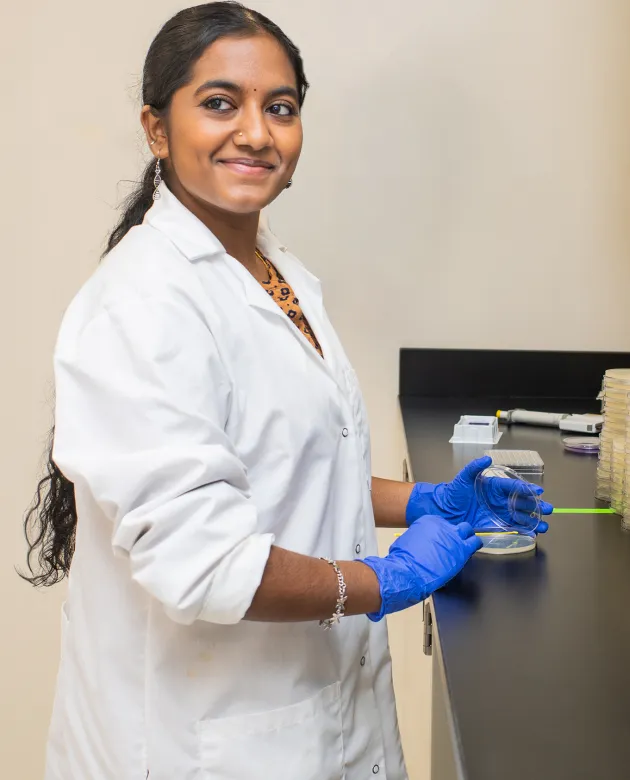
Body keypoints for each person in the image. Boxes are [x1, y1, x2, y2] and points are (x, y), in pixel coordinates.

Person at [22, 4, 551, 779]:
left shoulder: (277, 275)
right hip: (200, 743)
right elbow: (208, 563)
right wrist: (383, 581)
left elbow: (286, 463)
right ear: (156, 128)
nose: (257, 132)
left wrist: (423, 502)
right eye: (219, 103)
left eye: (281, 107)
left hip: (310, 719)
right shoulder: (143, 305)